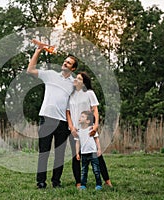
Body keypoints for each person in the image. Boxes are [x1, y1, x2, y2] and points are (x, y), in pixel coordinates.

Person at [27, 42, 78, 189]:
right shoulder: (50, 75)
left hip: (63, 122)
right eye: (65, 61)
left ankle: (56, 182)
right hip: (47, 118)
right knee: (44, 152)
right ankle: (41, 182)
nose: (65, 63)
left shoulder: (73, 83)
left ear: (73, 68)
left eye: (69, 63)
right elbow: (30, 70)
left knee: (60, 155)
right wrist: (38, 51)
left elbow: (77, 103)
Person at [66, 72, 113, 188]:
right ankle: (79, 182)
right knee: (76, 156)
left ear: (84, 82)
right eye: (76, 78)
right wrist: (71, 127)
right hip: (74, 130)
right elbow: (67, 112)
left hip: (88, 129)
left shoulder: (89, 93)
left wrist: (96, 125)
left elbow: (95, 110)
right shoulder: (70, 95)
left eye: (79, 78)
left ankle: (107, 180)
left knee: (97, 154)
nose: (76, 79)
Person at [75, 110, 102, 190]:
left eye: (82, 116)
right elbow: (77, 142)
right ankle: (83, 185)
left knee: (96, 169)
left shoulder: (91, 129)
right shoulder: (78, 131)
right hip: (84, 153)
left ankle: (98, 184)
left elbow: (96, 139)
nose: (80, 118)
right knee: (84, 170)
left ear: (87, 121)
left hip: (93, 152)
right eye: (80, 116)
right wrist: (77, 153)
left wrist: (99, 149)